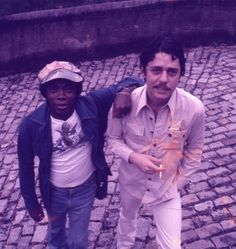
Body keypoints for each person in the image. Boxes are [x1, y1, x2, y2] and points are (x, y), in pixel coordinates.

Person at [17, 60, 143, 249]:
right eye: (53, 90)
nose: (61, 96)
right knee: (55, 234)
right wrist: (31, 203)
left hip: (85, 190)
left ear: (78, 91)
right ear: (45, 93)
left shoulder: (92, 104)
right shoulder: (31, 125)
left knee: (78, 241)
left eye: (68, 89)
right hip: (54, 193)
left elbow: (134, 80)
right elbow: (25, 167)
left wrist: (124, 92)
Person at [106, 35, 205, 249]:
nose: (163, 79)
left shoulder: (194, 109)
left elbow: (195, 149)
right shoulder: (124, 103)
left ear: (181, 75)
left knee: (172, 246)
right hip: (131, 184)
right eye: (156, 70)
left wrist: (178, 183)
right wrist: (134, 157)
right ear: (144, 71)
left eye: (172, 72)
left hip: (167, 188)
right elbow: (113, 139)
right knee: (127, 220)